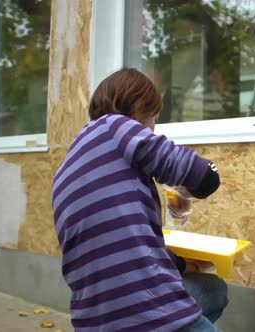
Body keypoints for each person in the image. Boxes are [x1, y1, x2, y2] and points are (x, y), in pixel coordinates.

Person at [51, 68, 227, 331]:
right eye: (155, 119)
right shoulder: (115, 127)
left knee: (212, 290)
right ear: (138, 109)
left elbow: (123, 246)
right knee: (211, 293)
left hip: (94, 322)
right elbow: (206, 177)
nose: (153, 130)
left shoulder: (66, 169)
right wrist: (187, 189)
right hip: (145, 315)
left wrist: (180, 264)